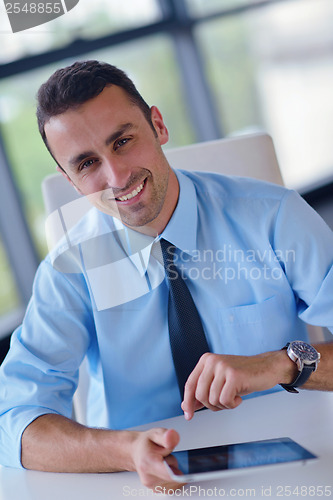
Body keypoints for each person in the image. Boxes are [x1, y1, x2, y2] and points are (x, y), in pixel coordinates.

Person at [0, 60, 332, 492]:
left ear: (157, 124)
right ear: (69, 179)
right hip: (139, 480)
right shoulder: (70, 267)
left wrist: (280, 364)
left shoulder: (273, 218)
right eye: (86, 164)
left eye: (123, 141)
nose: (116, 177)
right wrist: (123, 451)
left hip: (293, 464)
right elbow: (14, 420)